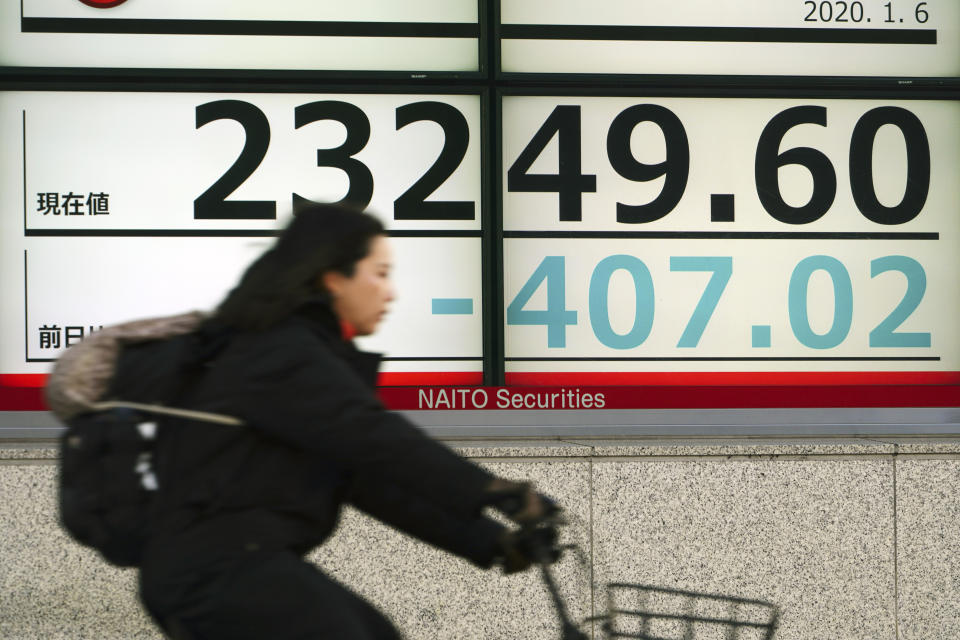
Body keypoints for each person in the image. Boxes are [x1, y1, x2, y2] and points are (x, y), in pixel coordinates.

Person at [117, 204, 558, 639]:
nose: (392, 292)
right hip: (214, 570)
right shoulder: (278, 352)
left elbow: (365, 478)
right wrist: (487, 489)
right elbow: (373, 435)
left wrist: (489, 541)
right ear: (333, 278)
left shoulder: (289, 351)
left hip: (228, 566)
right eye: (380, 273)